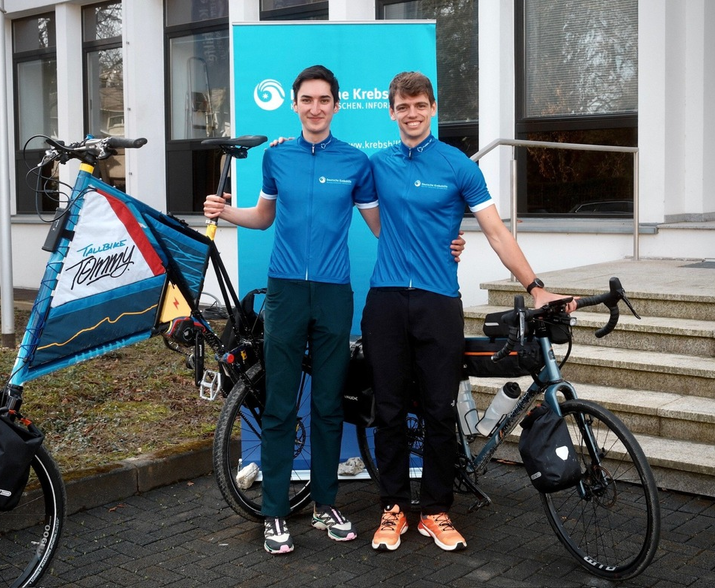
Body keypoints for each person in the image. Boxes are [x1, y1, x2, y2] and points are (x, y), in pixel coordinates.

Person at [204, 65, 465, 556]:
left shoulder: (356, 163)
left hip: (334, 294)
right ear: (296, 104)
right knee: (280, 403)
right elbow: (262, 218)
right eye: (307, 99)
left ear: (336, 105)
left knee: (328, 406)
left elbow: (386, 227)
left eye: (324, 100)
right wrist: (226, 213)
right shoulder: (276, 157)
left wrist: (445, 241)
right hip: (285, 293)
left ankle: (326, 504)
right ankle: (275, 513)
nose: (316, 107)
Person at [363, 71, 575, 553]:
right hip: (387, 300)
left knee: (439, 410)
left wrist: (535, 287)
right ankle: (393, 507)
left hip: (439, 301)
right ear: (391, 111)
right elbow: (378, 225)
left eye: (420, 105)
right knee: (391, 410)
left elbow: (497, 233)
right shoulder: (377, 165)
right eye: (403, 106)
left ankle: (436, 510)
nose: (411, 113)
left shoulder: (458, 165)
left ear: (433, 108)